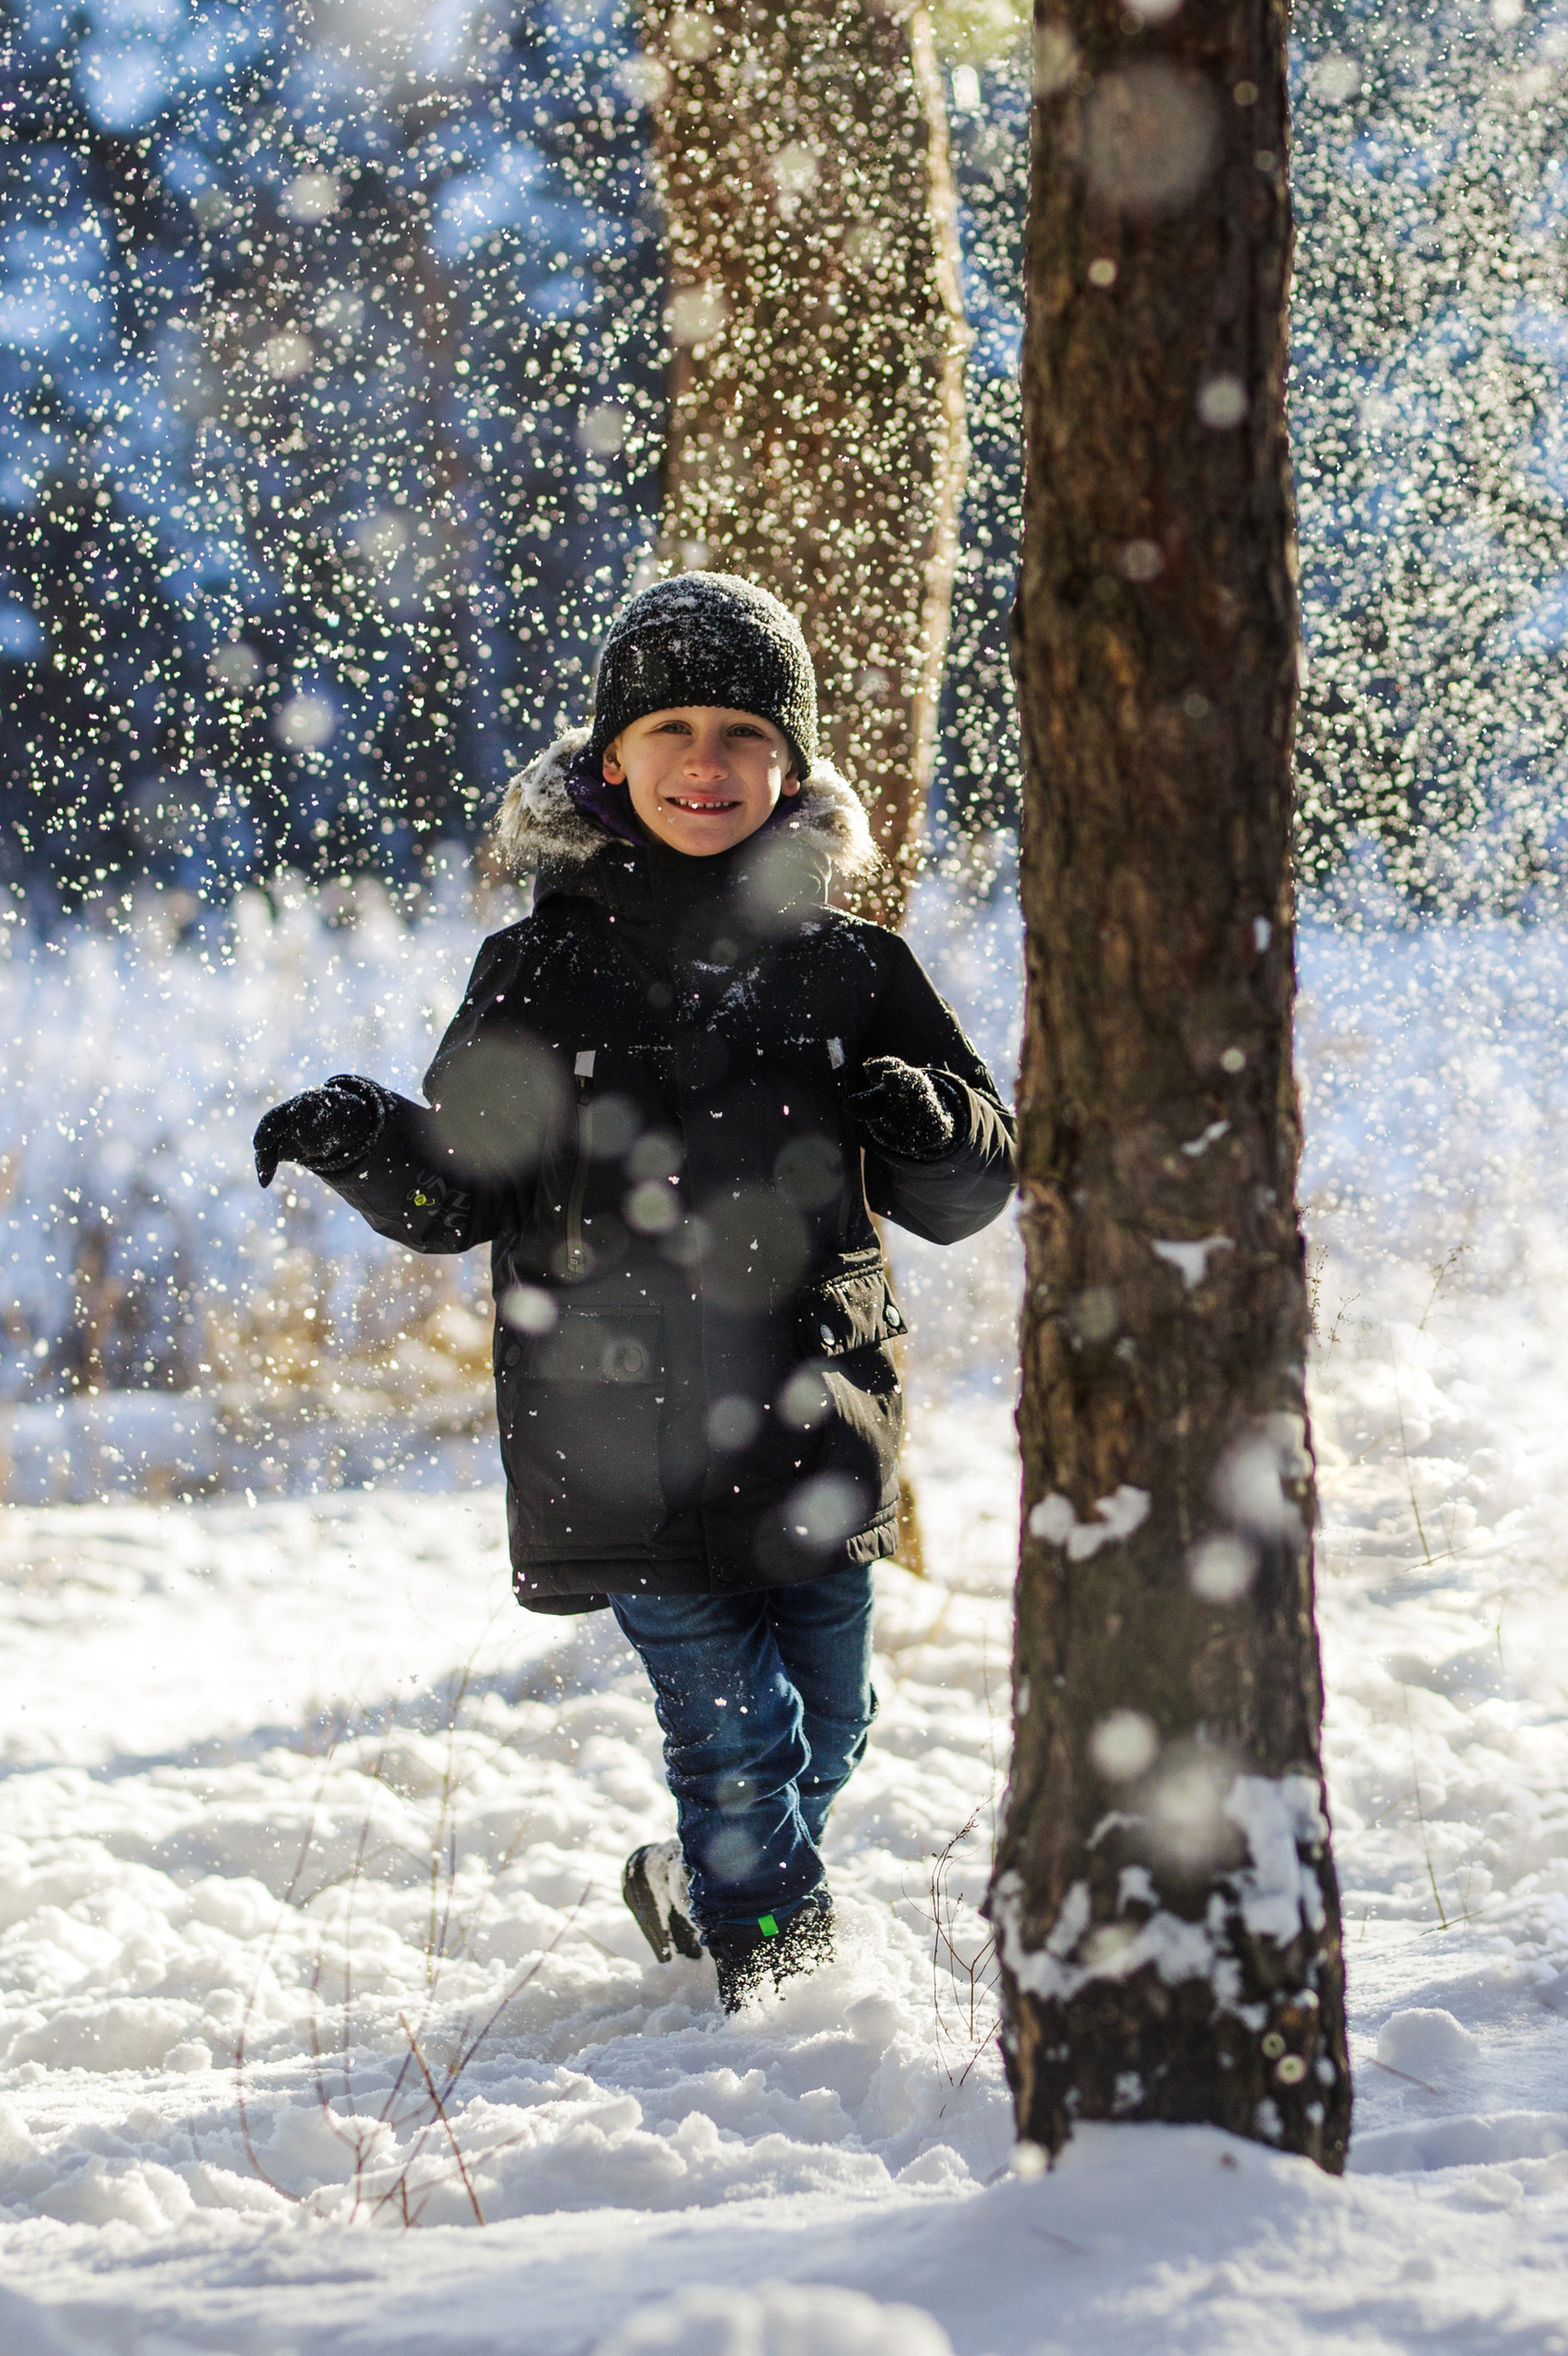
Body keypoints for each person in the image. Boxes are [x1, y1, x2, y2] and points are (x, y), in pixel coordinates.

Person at [251, 572, 1016, 2011]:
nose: (707, 763)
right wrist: (364, 1141)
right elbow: (462, 1186)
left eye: (744, 731)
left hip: (817, 1424)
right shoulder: (541, 969)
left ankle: (690, 1883)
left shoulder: (852, 969)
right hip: (622, 1434)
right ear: (611, 759)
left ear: (794, 768)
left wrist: (931, 1120)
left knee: (825, 1726)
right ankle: (781, 2003)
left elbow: (968, 1186)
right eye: (671, 728)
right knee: (735, 1741)